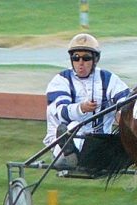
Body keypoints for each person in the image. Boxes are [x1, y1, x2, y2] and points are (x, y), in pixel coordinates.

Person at [43, 33, 130, 169]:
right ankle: (70, 155)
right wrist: (81, 108)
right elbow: (61, 112)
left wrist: (122, 112)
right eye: (76, 58)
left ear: (95, 60)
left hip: (99, 143)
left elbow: (125, 98)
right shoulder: (60, 80)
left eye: (86, 58)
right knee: (73, 126)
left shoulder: (108, 78)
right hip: (62, 143)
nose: (80, 63)